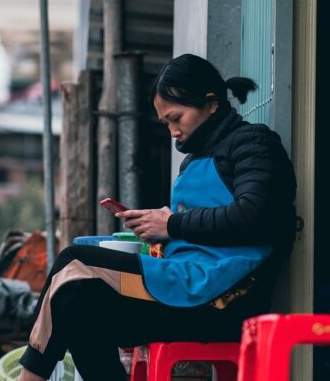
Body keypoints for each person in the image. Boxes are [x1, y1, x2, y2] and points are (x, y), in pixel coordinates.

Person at [18, 54, 297, 381]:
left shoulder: (254, 144)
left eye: (176, 118)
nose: (173, 131)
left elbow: (255, 214)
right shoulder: (193, 162)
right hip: (187, 284)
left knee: (72, 261)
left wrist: (172, 225)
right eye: (166, 123)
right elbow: (201, 228)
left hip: (223, 298)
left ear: (211, 104)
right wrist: (160, 233)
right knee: (78, 304)